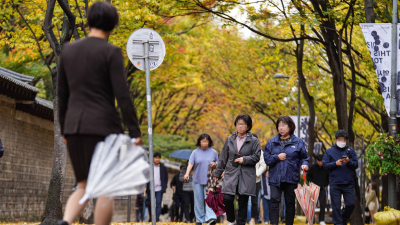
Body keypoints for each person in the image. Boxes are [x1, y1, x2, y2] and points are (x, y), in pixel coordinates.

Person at [56, 2, 142, 225]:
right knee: (105, 186)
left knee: (83, 185)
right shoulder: (111, 52)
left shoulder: (68, 50)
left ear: (89, 20)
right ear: (113, 24)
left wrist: (65, 128)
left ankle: (65, 221)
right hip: (103, 128)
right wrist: (134, 131)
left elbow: (62, 95)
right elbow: (122, 95)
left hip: (74, 127)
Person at [214, 114, 261, 225]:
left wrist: (244, 159)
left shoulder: (254, 140)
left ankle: (240, 223)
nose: (240, 126)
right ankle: (231, 220)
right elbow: (223, 158)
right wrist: (217, 174)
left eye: (243, 124)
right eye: (238, 124)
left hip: (246, 175)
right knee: (227, 198)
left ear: (248, 126)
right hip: (231, 173)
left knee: (243, 204)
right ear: (235, 125)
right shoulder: (230, 139)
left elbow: (257, 157)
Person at [264, 115, 310, 225]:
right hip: (275, 177)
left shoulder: (298, 142)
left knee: (290, 203)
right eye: (279, 125)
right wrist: (277, 157)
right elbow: (267, 159)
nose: (281, 128)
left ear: (290, 127)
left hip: (291, 177)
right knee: (274, 201)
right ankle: (274, 223)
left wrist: (305, 165)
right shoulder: (271, 142)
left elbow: (304, 157)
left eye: (284, 125)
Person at [323, 130, 358, 225]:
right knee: (336, 207)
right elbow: (325, 166)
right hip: (335, 183)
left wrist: (349, 162)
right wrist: (335, 163)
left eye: (344, 140)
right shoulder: (329, 151)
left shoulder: (350, 151)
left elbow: (356, 164)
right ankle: (338, 223)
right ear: (336, 139)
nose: (342, 141)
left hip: (349, 183)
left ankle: (342, 220)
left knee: (351, 204)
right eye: (340, 139)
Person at [183, 134, 219, 225]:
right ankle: (200, 220)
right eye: (202, 141)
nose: (204, 143)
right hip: (197, 180)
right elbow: (190, 164)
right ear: (199, 142)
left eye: (206, 141)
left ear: (209, 142)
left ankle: (211, 218)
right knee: (198, 201)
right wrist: (187, 174)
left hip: (209, 181)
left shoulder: (213, 152)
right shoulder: (195, 152)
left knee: (209, 200)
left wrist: (215, 165)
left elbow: (218, 164)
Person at [307, 154, 329, 225]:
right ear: (316, 160)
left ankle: (321, 220)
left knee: (322, 204)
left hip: (322, 189)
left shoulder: (326, 168)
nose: (320, 163)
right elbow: (308, 176)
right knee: (312, 205)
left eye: (322, 161)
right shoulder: (313, 168)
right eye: (319, 161)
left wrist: (326, 184)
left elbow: (328, 178)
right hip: (314, 189)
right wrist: (311, 183)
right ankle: (310, 220)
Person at [148, 152, 169, 222]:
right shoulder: (150, 167)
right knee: (150, 203)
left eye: (158, 158)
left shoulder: (163, 168)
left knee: (158, 203)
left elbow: (166, 178)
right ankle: (151, 216)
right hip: (151, 188)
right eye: (156, 158)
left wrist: (164, 187)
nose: (157, 159)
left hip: (159, 188)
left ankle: (156, 217)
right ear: (153, 158)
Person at [248, 150, 267, 225]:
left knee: (254, 202)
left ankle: (252, 219)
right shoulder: (245, 148)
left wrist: (256, 174)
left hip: (256, 180)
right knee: (246, 201)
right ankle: (245, 218)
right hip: (245, 179)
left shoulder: (260, 152)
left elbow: (263, 166)